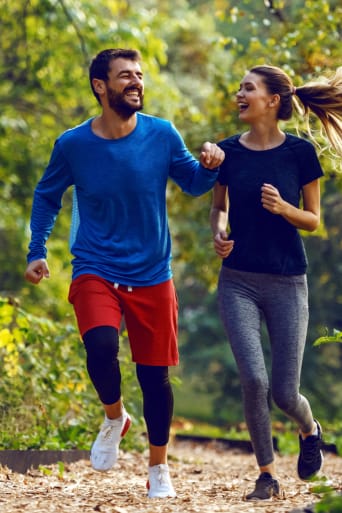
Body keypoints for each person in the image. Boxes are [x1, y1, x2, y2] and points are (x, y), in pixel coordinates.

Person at [24, 48, 225, 499]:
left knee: (154, 378)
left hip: (152, 272)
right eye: (125, 76)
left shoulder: (162, 134)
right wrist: (36, 250)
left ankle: (158, 468)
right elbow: (46, 196)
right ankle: (115, 416)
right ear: (100, 86)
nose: (136, 82)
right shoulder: (73, 144)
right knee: (100, 345)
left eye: (139, 75)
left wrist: (212, 166)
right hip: (96, 265)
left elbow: (193, 182)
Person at [210, 65, 342, 501]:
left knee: (285, 392)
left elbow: (314, 220)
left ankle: (310, 429)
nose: (239, 93)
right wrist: (219, 232)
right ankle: (266, 473)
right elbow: (219, 208)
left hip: (287, 280)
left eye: (248, 87)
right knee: (254, 380)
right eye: (239, 86)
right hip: (238, 281)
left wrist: (285, 208)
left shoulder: (301, 153)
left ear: (272, 100)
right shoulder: (229, 152)